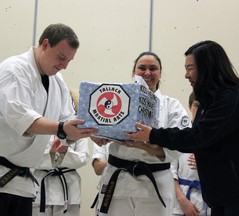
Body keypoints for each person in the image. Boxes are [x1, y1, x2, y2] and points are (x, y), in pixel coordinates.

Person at [126, 40, 239, 216]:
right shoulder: (209, 99)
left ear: (207, 67)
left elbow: (197, 137)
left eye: (190, 68)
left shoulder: (231, 98)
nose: (186, 75)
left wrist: (153, 135)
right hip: (225, 193)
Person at [0, 23, 96, 216]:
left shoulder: (57, 80)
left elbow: (67, 119)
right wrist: (62, 128)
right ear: (45, 44)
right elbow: (22, 118)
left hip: (24, 183)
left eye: (69, 60)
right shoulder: (14, 69)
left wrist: (91, 132)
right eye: (61, 57)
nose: (64, 65)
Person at [90, 51, 191, 216]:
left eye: (153, 68)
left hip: (156, 183)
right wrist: (95, 133)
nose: (147, 73)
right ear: (134, 72)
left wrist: (146, 146)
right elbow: (93, 125)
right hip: (118, 182)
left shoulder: (172, 106)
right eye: (142, 68)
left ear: (160, 73)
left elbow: (180, 146)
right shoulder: (118, 99)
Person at [32, 90, 90, 216]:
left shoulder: (80, 127)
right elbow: (30, 156)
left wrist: (65, 153)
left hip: (69, 189)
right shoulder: (38, 124)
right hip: (41, 187)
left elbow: (83, 158)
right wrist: (51, 153)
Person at [170, 92, 210, 216]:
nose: (200, 111)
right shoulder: (181, 134)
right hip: (181, 200)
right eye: (197, 105)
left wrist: (205, 166)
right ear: (189, 106)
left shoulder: (216, 135)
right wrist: (182, 200)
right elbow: (170, 171)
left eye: (205, 106)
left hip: (208, 199)